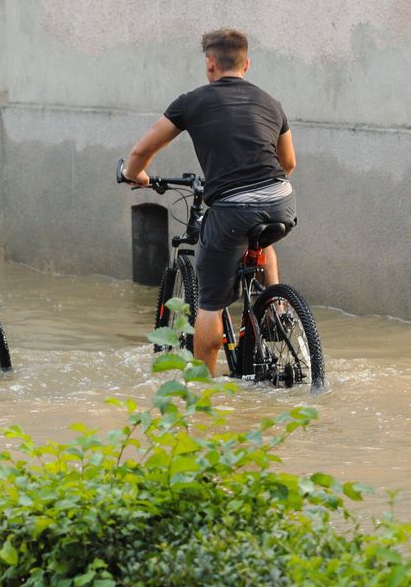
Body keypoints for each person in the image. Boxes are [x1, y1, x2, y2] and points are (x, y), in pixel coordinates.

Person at [119, 28, 296, 376]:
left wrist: (134, 173)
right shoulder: (271, 102)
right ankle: (276, 307)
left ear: (210, 64)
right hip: (281, 202)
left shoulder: (192, 101)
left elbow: (142, 151)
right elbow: (288, 164)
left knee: (209, 303)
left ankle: (206, 393)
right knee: (260, 238)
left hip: (231, 209)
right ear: (247, 65)